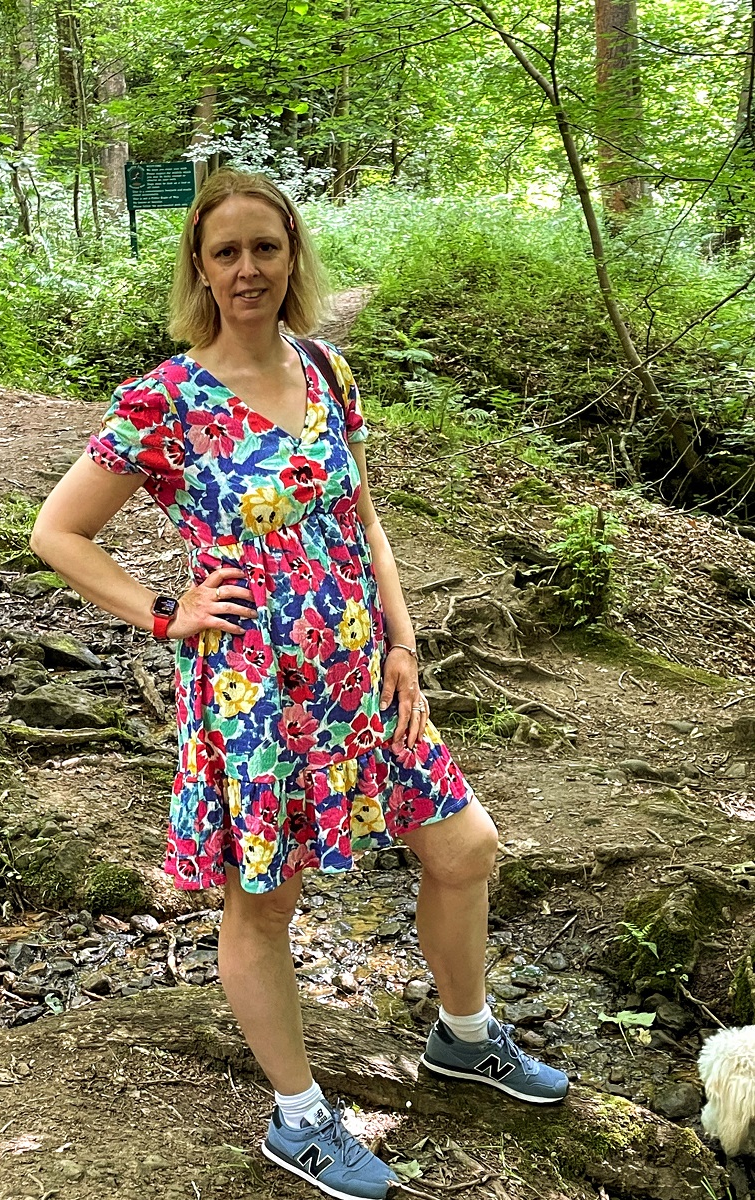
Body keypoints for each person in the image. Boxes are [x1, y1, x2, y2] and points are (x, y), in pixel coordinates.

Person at [30, 169, 568, 1200]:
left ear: (291, 257)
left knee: (466, 848)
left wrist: (404, 643)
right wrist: (164, 610)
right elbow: (58, 531)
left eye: (264, 249)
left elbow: (361, 519)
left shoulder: (326, 371)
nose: (247, 270)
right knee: (264, 900)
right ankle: (299, 1116)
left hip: (367, 679)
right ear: (200, 264)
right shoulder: (164, 400)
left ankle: (465, 1036)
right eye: (225, 252)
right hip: (255, 696)